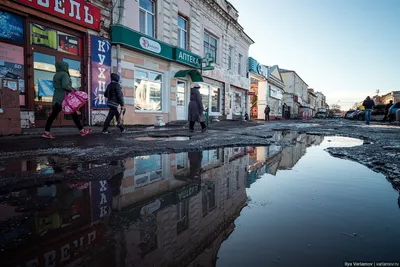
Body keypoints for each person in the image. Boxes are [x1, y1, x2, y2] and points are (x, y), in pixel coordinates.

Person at [42, 61, 91, 139]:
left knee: (53, 115)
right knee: (73, 114)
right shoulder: (64, 74)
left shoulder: (56, 75)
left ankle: (46, 132)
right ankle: (82, 131)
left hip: (57, 97)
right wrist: (73, 89)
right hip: (64, 99)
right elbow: (65, 86)